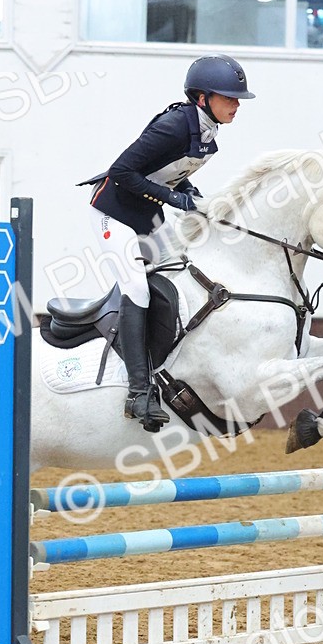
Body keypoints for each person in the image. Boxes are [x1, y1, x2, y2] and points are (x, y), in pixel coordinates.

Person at [83, 54, 255, 430]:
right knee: (138, 290)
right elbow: (122, 171)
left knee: (180, 276)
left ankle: (168, 364)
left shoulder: (206, 132)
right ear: (201, 97)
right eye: (229, 97)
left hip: (146, 214)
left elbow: (169, 173)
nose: (237, 104)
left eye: (237, 98)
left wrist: (194, 196)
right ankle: (138, 392)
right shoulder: (175, 125)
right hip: (113, 214)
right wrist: (177, 200)